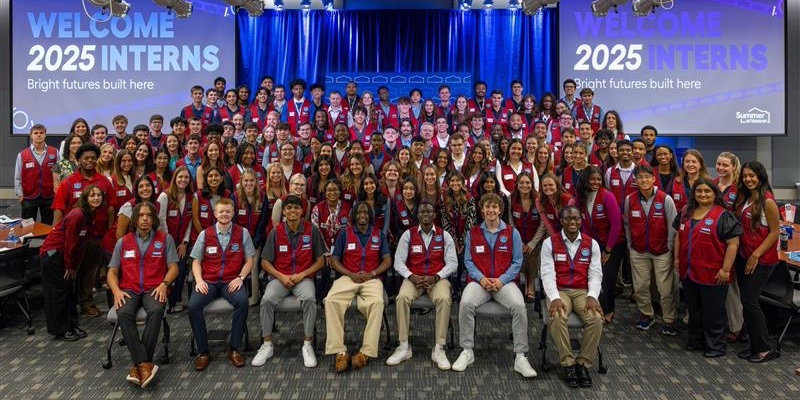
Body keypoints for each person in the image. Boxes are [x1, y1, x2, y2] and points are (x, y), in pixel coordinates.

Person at [452, 193, 537, 378]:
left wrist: (502, 280)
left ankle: (520, 356)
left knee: (519, 306)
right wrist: (481, 278)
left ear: (500, 210)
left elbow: (517, 262)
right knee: (465, 303)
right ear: (482, 210)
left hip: (504, 282)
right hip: (479, 282)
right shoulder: (473, 232)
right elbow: (468, 260)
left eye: (494, 207)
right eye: (487, 207)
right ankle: (467, 351)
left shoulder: (512, 233)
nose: (491, 210)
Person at [107, 201, 178, 388]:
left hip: (154, 287)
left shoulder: (165, 239)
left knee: (156, 310)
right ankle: (145, 364)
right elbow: (112, 272)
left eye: (149, 215)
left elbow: (173, 268)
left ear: (154, 219)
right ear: (135, 219)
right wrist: (116, 291)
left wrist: (164, 284)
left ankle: (138, 365)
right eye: (141, 215)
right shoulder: (123, 242)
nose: (145, 219)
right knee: (123, 313)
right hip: (128, 289)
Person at [254, 195, 328, 368]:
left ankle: (307, 344)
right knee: (266, 300)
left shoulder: (311, 230)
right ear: (284, 211)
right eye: (289, 208)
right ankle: (267, 345)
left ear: (301, 211)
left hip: (303, 278)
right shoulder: (276, 231)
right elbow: (265, 262)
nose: (292, 210)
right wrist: (281, 276)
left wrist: (302, 274)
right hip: (280, 278)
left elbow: (320, 261)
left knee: (309, 299)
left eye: (296, 207)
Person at [674, 179, 741, 358]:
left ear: (715, 194)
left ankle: (716, 346)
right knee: (694, 309)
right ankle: (696, 341)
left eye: (707, 191)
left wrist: (726, 269)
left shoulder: (724, 215)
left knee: (713, 312)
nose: (702, 194)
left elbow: (733, 244)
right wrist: (676, 258)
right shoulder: (686, 212)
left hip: (714, 272)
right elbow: (678, 236)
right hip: (689, 271)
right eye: (699, 191)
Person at [386, 201, 457, 370]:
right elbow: (398, 262)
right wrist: (411, 276)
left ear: (434, 215)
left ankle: (439, 348)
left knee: (444, 298)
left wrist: (436, 276)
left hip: (437, 279)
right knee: (402, 298)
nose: (426, 214)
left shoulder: (444, 235)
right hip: (414, 279)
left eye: (429, 211)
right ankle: (403, 346)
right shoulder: (408, 235)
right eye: (422, 212)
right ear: (417, 215)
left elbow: (453, 263)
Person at [188, 198, 257, 370]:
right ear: (215, 214)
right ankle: (203, 351)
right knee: (193, 306)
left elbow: (250, 260)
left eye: (228, 211)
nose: (224, 214)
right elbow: (196, 261)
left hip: (231, 281)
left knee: (242, 302)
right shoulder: (205, 234)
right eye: (221, 211)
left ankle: (234, 349)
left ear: (233, 213)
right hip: (208, 281)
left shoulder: (243, 233)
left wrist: (241, 277)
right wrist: (199, 280)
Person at [540, 205, 604, 388]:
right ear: (561, 221)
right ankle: (568, 363)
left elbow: (595, 273)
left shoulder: (591, 244)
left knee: (596, 318)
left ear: (580, 220)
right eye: (568, 218)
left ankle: (583, 363)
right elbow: (547, 273)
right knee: (557, 315)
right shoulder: (549, 243)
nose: (572, 222)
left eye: (576, 218)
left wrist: (592, 295)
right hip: (559, 290)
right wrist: (554, 297)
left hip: (583, 291)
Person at [324, 201, 392, 372]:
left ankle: (365, 353)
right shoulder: (344, 234)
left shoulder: (378, 234)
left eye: (366, 213)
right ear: (354, 215)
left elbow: (387, 260)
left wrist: (372, 273)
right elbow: (334, 260)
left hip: (371, 279)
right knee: (330, 300)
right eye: (359, 212)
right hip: (348, 277)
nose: (363, 216)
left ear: (370, 216)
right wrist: (350, 273)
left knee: (377, 303)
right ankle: (340, 351)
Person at [50, 143, 115, 316]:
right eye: (86, 158)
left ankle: (86, 302)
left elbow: (110, 208)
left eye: (93, 158)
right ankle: (68, 303)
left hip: (96, 237)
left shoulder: (103, 181)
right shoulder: (68, 182)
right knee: (70, 269)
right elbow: (59, 209)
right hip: (73, 237)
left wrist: (109, 233)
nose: (90, 161)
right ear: (78, 160)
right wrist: (57, 234)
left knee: (90, 271)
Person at [40, 184, 106, 341]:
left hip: (65, 256)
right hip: (54, 255)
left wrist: (74, 266)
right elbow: (70, 243)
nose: (96, 198)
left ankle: (71, 326)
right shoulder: (77, 215)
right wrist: (70, 266)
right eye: (92, 195)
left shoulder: (89, 215)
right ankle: (61, 330)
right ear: (85, 198)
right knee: (60, 293)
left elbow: (80, 245)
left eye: (98, 195)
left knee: (70, 292)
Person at [734, 161, 781, 363]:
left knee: (749, 301)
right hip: (745, 256)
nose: (748, 179)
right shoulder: (747, 197)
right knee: (747, 302)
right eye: (745, 176)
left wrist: (755, 255)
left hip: (761, 260)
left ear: (760, 177)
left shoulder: (767, 201)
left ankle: (764, 349)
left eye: (752, 175)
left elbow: (774, 232)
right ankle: (754, 345)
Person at [623, 164, 678, 334]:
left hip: (662, 251)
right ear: (635, 180)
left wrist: (669, 248)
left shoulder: (665, 199)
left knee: (665, 288)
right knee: (640, 287)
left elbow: (673, 226)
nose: (644, 180)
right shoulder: (630, 199)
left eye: (647, 177)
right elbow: (627, 224)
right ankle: (646, 314)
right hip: (638, 250)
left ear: (654, 179)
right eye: (640, 177)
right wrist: (630, 245)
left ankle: (669, 319)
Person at [575, 165, 622, 323]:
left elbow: (616, 225)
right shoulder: (581, 197)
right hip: (592, 244)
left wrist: (607, 250)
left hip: (612, 244)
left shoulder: (607, 196)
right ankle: (596, 306)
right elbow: (582, 223)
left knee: (607, 276)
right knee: (591, 275)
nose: (596, 182)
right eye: (592, 179)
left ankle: (609, 310)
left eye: (598, 179)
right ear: (585, 180)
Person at [157, 166, 194, 313]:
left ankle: (177, 300)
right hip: (166, 241)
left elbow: (190, 221)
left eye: (186, 177)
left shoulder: (191, 197)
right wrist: (169, 243)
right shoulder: (164, 196)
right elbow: (161, 220)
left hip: (181, 243)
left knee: (181, 270)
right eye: (180, 177)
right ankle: (164, 301)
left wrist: (185, 242)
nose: (183, 180)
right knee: (166, 272)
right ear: (175, 178)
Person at [509, 172, 546, 300]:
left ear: (532, 184)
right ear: (517, 184)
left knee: (532, 254)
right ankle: (523, 282)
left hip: (535, 238)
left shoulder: (538, 199)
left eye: (528, 183)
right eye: (521, 183)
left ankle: (531, 285)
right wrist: (518, 241)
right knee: (520, 254)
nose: (525, 185)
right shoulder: (510, 199)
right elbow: (510, 221)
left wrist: (532, 242)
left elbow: (543, 223)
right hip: (517, 238)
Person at [15, 123, 58, 224]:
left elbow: (58, 174)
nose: (39, 135)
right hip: (28, 197)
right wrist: (20, 195)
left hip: (48, 196)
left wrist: (57, 192)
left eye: (41, 133)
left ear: (45, 135)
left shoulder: (54, 152)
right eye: (36, 133)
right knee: (28, 226)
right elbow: (18, 177)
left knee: (47, 225)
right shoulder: (22, 154)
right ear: (31, 135)